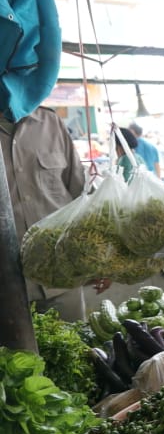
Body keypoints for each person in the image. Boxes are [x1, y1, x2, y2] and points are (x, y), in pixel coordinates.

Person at [1, 107, 90, 321]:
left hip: (62, 279)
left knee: (77, 347)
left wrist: (100, 261)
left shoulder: (50, 122)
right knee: (15, 355)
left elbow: (82, 194)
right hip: (7, 288)